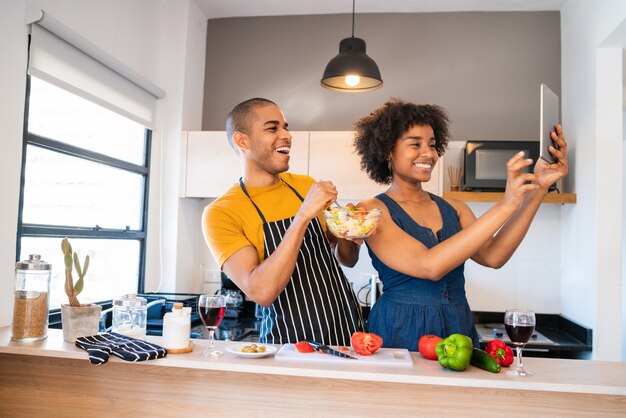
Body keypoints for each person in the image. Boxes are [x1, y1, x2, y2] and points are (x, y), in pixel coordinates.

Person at [353, 98, 569, 351]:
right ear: (387, 151)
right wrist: (506, 204)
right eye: (415, 144)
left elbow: (494, 256)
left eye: (432, 145)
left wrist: (540, 188)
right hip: (400, 327)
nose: (428, 153)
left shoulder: (454, 208)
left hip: (457, 324)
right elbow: (429, 266)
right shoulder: (370, 210)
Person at [202, 98, 364, 345]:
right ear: (242, 140)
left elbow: (347, 260)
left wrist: (350, 236)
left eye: (286, 127)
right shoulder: (221, 212)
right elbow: (262, 292)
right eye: (272, 128)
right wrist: (303, 216)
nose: (286, 135)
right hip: (289, 344)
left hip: (348, 331)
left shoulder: (305, 185)